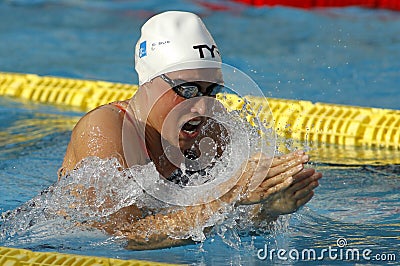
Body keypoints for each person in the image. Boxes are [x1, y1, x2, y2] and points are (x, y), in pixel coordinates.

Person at [59, 11, 322, 250]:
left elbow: (229, 223)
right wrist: (230, 192)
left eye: (212, 90)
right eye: (187, 90)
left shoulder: (213, 130)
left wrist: (270, 208)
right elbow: (121, 238)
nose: (202, 106)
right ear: (148, 82)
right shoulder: (105, 129)